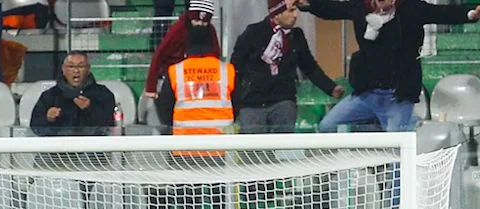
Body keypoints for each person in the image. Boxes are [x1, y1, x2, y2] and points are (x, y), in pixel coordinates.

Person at [299, 0, 480, 133]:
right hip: (366, 94)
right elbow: (332, 9)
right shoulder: (359, 7)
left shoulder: (411, 8)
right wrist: (308, 5)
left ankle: (396, 190)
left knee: (396, 150)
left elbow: (442, 13)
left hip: (397, 96)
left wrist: (472, 13)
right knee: (327, 125)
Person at [231, 0, 343, 133]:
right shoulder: (253, 33)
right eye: (291, 10)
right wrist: (234, 105)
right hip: (253, 103)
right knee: (253, 151)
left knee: (285, 147)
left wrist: (331, 88)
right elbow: (236, 68)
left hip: (283, 100)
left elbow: (310, 67)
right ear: (276, 13)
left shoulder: (296, 36)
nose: (295, 15)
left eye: (296, 10)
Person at [156, 2, 235, 140]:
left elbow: (165, 110)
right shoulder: (227, 71)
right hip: (220, 145)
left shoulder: (175, 71)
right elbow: (237, 104)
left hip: (184, 146)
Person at [143, 0, 220, 101]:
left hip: (200, 78)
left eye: (204, 22)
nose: (200, 25)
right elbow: (159, 55)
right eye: (197, 21)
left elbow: (215, 56)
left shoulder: (210, 31)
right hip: (175, 78)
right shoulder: (179, 29)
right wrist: (151, 87)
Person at [29, 51, 116, 137]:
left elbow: (110, 126)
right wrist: (48, 118)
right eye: (71, 66)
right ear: (63, 69)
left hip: (93, 148)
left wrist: (90, 108)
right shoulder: (49, 95)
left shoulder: (103, 93)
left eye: (81, 66)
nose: (76, 70)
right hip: (58, 148)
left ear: (88, 69)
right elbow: (35, 127)